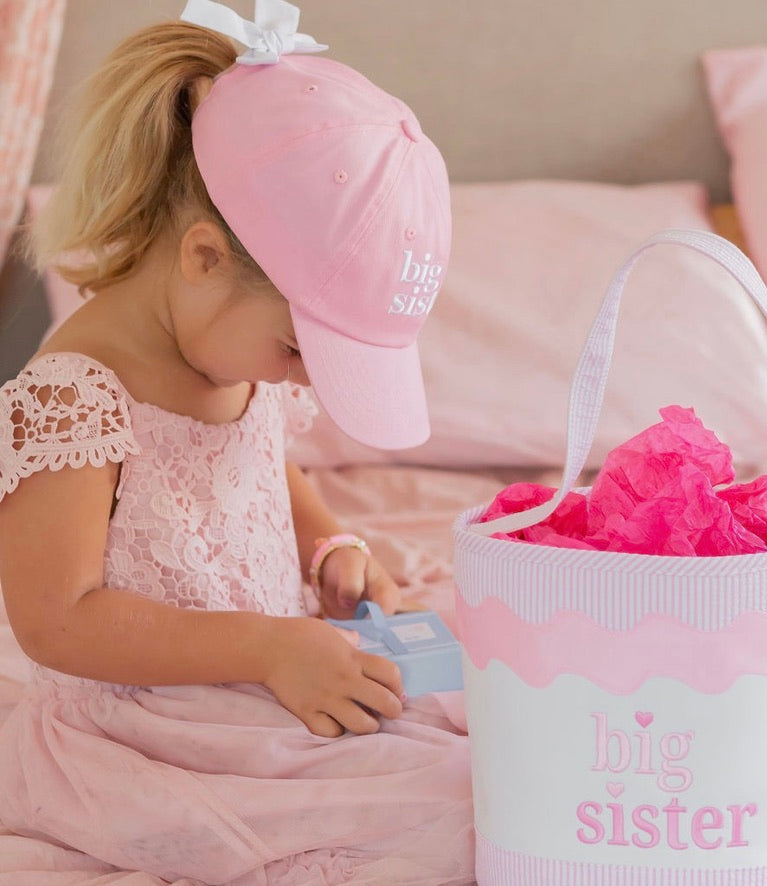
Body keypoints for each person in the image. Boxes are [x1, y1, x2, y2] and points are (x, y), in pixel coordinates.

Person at [0, 2, 473, 883]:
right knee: (439, 810)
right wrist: (265, 646)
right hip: (143, 728)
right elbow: (55, 621)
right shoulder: (73, 398)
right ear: (205, 257)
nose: (302, 381)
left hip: (265, 672)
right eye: (297, 349)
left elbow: (262, 468)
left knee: (480, 756)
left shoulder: (226, 350)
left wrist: (331, 543)